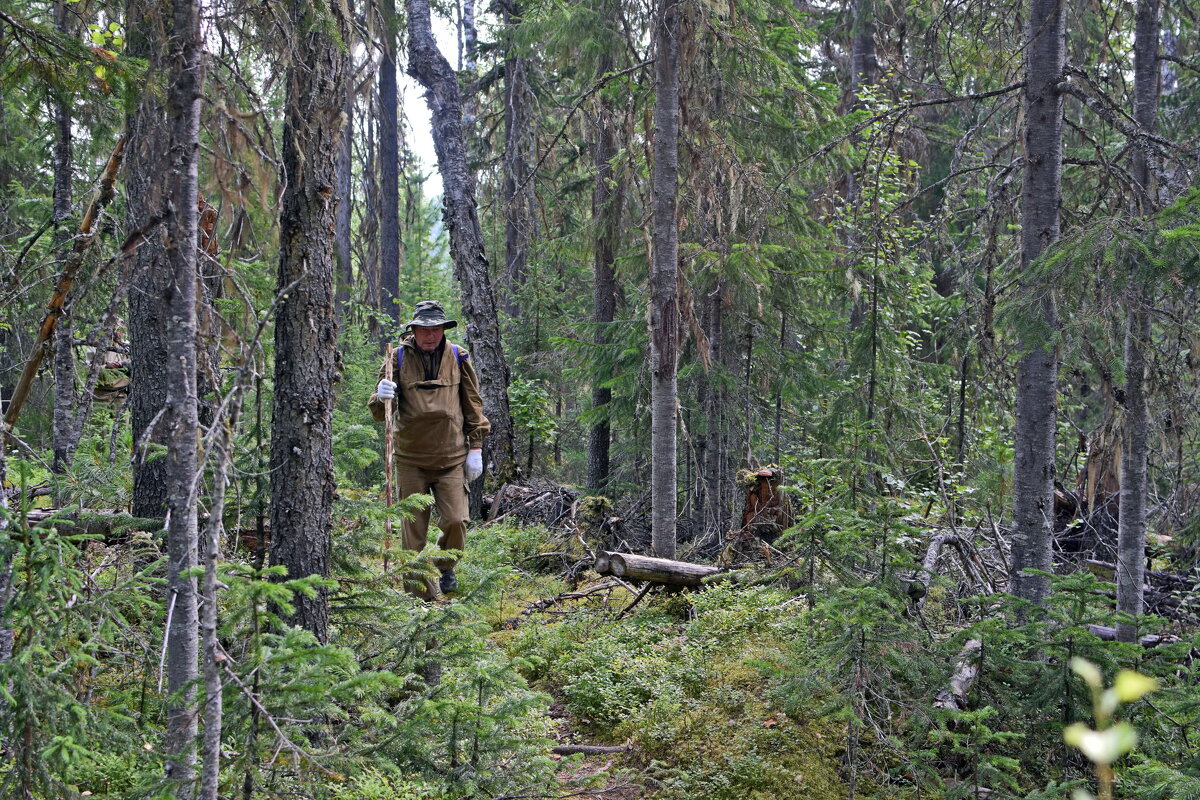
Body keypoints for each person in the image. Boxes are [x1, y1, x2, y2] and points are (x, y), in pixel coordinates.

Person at [369, 300, 490, 598]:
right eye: (425, 329)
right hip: (411, 459)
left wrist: (476, 448)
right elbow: (378, 410)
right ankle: (418, 598)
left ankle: (444, 565)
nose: (431, 335)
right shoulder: (395, 358)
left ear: (442, 329)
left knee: (456, 521)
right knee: (413, 532)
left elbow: (473, 403)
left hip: (451, 458)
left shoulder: (459, 356)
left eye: (436, 328)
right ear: (414, 330)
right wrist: (381, 395)